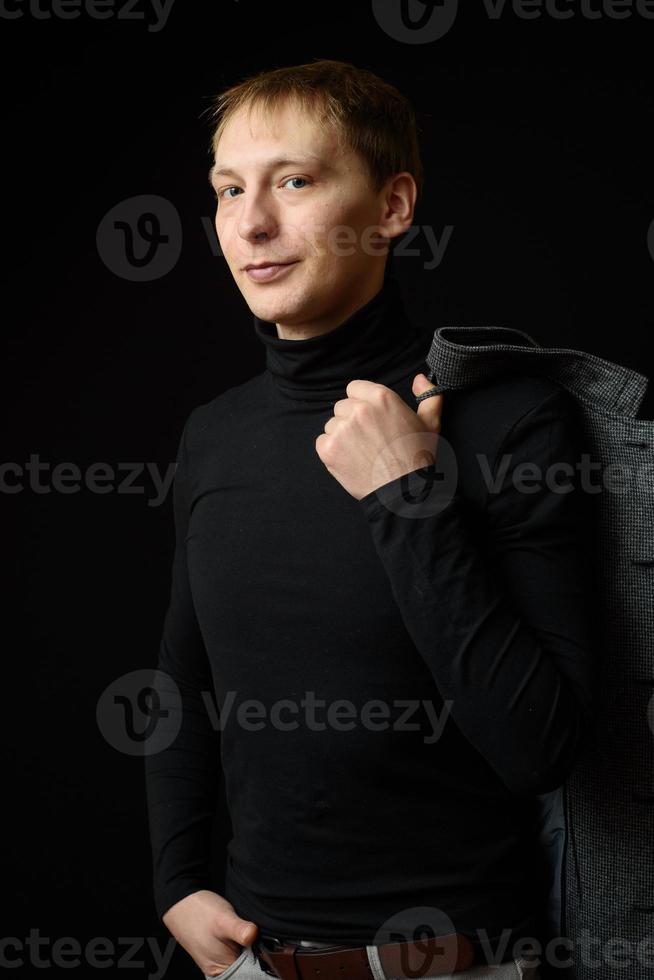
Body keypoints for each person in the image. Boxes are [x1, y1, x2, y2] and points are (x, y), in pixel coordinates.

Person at [144, 59, 595, 980]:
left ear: (392, 208)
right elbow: (183, 679)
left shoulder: (509, 421)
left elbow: (540, 748)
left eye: (295, 181)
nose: (252, 224)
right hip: (251, 969)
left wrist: (408, 499)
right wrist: (177, 882)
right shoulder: (216, 435)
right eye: (230, 189)